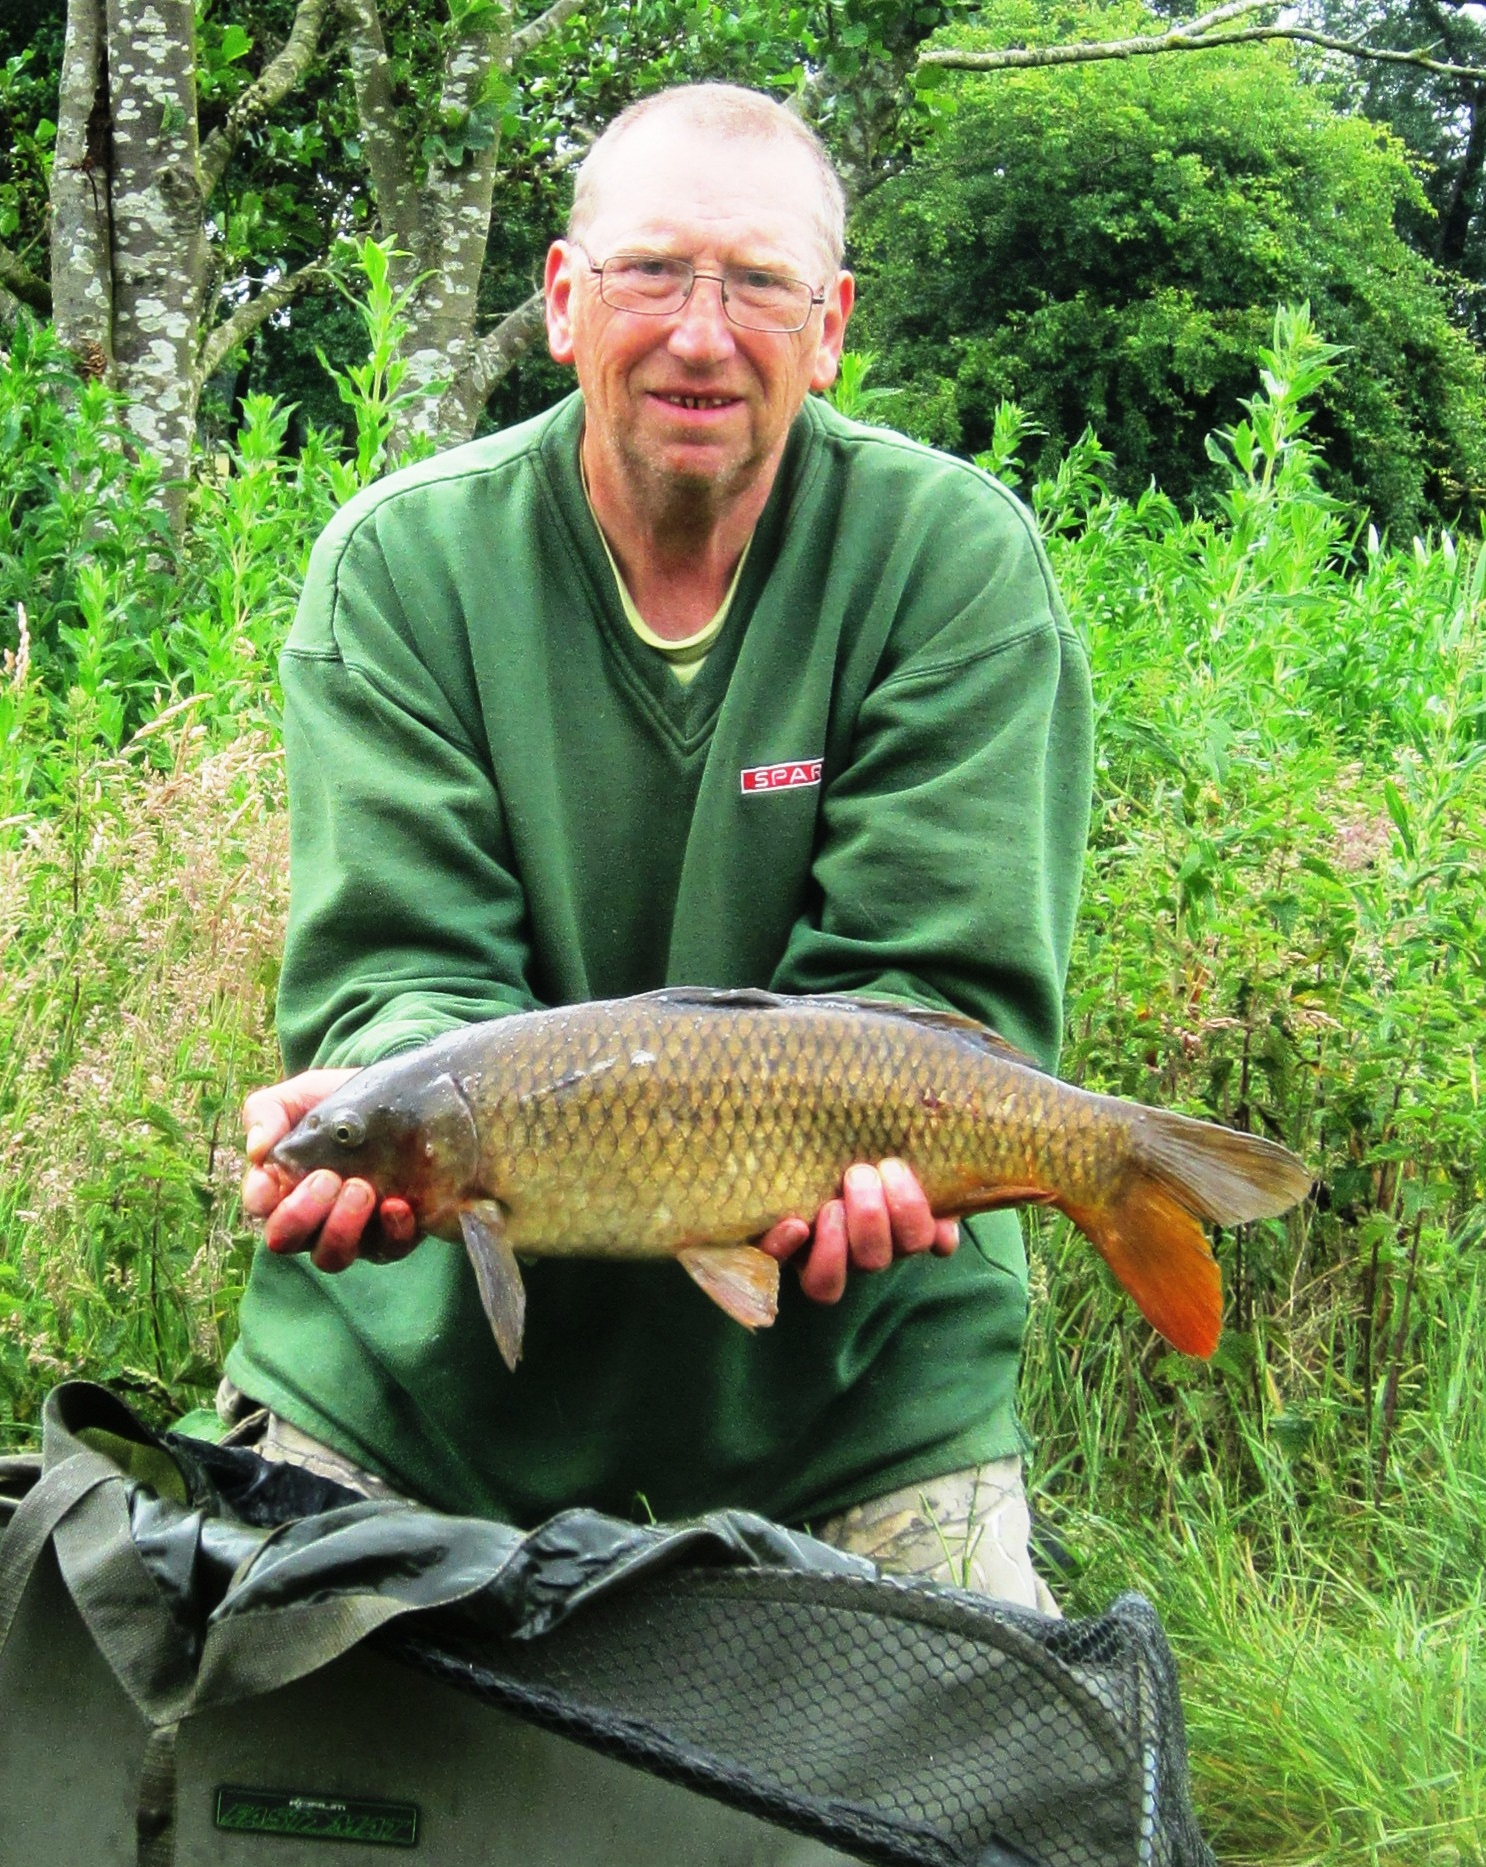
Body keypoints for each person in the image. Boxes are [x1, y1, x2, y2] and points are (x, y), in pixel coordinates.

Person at [231, 82, 1093, 1610]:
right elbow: (403, 977)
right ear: (565, 301)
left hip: (851, 1397)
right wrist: (376, 1122)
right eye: (649, 272)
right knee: (257, 1786)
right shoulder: (401, 567)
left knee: (951, 1823)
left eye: (756, 282)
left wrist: (877, 1154)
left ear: (828, 326)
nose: (701, 332)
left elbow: (929, 991)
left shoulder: (950, 562)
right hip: (422, 1381)